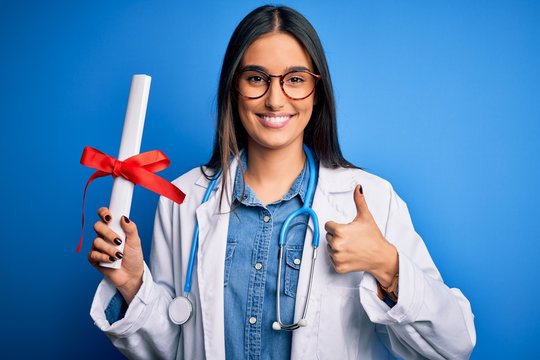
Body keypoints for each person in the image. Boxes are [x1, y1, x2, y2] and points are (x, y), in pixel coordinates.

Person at [88, 5, 476, 359]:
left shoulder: (371, 199)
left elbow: (454, 346)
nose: (275, 100)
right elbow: (172, 350)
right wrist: (134, 285)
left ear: (317, 90)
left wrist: (387, 266)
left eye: (295, 79)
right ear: (233, 87)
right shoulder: (183, 199)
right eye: (256, 78)